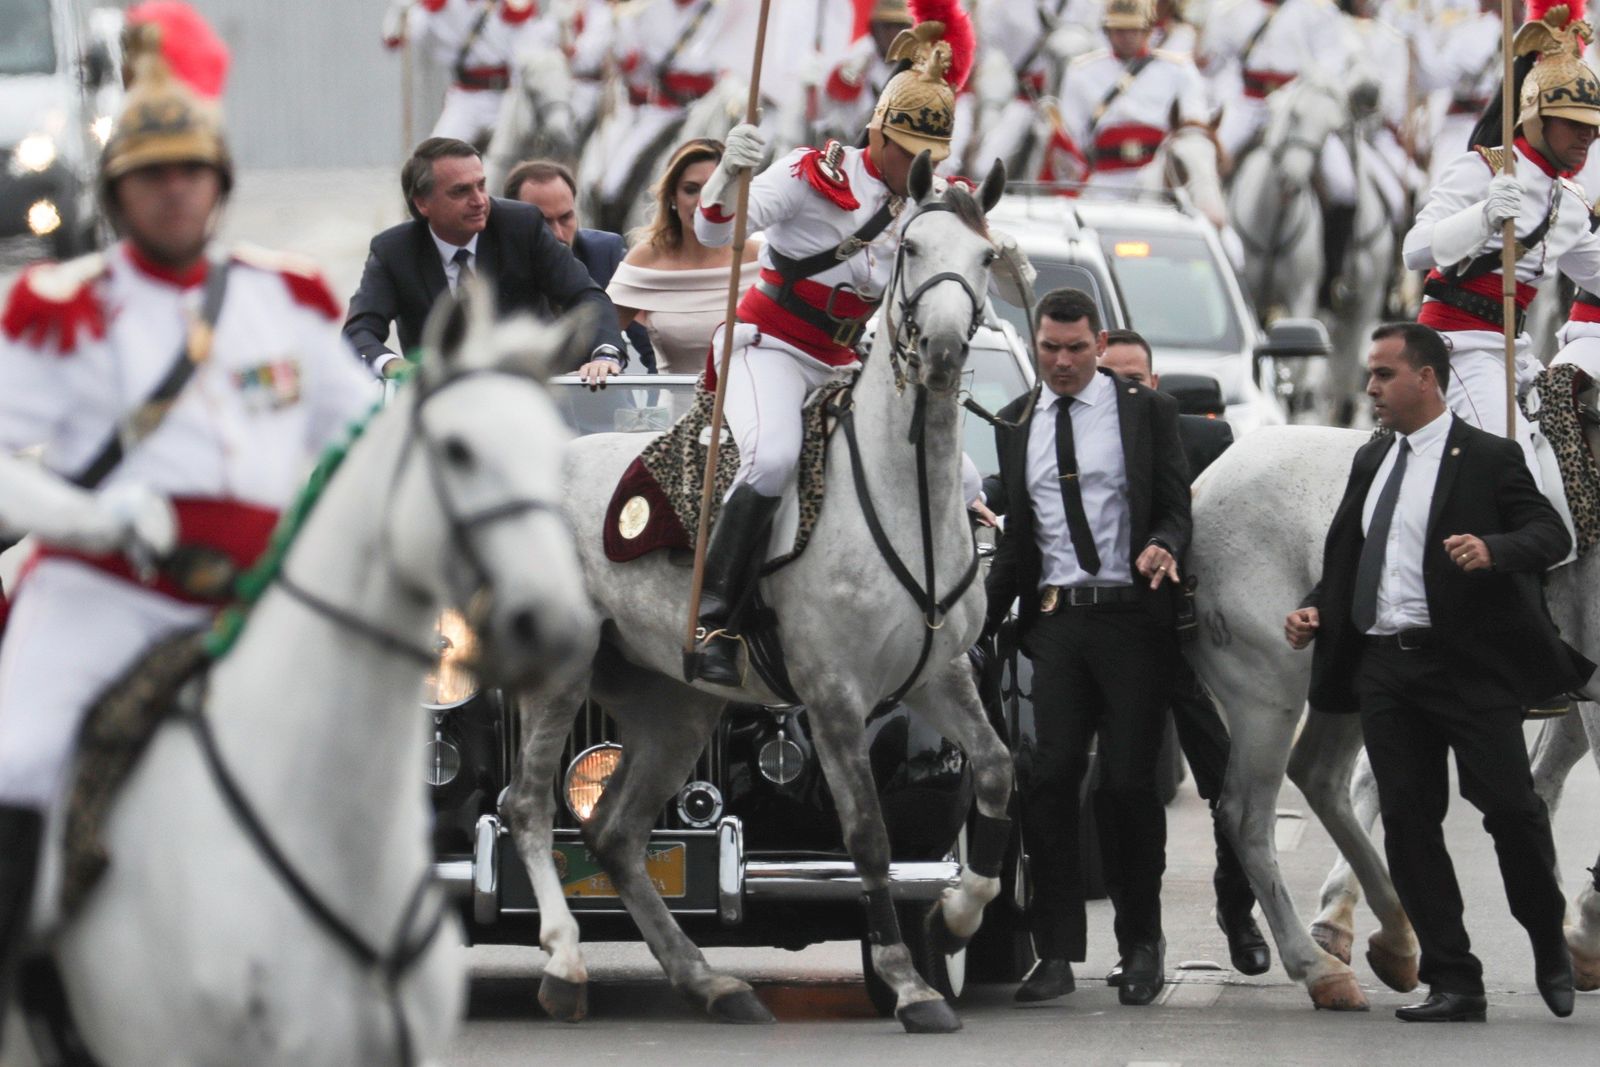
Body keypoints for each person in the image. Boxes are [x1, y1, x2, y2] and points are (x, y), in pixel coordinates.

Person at [0, 3, 379, 1043]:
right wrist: (93, 515)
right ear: (116, 192)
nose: (173, 188)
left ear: (219, 182)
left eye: (191, 171)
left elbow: (371, 437)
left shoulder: (286, 302)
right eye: (151, 174)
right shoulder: (59, 307)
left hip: (259, 597)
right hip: (102, 593)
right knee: (17, 760)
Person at [1285, 322, 1593, 1022]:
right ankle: (1455, 979)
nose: (1370, 387)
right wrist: (1314, 609)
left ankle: (1548, 942)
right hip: (1386, 669)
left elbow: (1550, 533)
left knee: (1513, 812)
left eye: (1384, 374)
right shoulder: (1372, 459)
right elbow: (1345, 557)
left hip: (1469, 667)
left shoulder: (1489, 457)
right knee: (1408, 823)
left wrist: (1493, 548)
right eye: (1370, 373)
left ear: (1425, 378)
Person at [682, 3, 975, 685]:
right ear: (879, 131)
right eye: (909, 151)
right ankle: (715, 618)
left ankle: (941, 618)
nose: (920, 167)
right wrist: (728, 174)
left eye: (933, 156)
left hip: (849, 363)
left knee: (961, 476)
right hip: (773, 347)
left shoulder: (929, 197)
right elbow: (715, 232)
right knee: (772, 458)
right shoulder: (814, 174)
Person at [983, 289, 1192, 1007]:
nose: (1063, 362)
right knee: (1049, 780)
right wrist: (975, 626)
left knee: (1128, 785)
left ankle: (1141, 944)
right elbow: (1018, 541)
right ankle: (1054, 952)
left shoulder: (1146, 411)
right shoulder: (1017, 422)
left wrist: (1164, 541)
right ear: (1034, 345)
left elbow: (1175, 505)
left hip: (1132, 619)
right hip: (1058, 623)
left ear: (1099, 345)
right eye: (1050, 348)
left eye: (1076, 348)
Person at [1097, 330, 1269, 979]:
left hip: (1198, 647)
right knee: (1125, 793)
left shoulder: (1205, 440)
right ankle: (1138, 941)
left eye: (1135, 378)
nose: (1124, 389)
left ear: (1156, 383)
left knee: (1232, 786)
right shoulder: (1073, 441)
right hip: (1118, 646)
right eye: (1111, 378)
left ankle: (1239, 911)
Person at [1403, 2, 1600, 480]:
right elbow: (1415, 249)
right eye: (1573, 123)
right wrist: (1484, 216)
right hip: (1458, 348)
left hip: (1516, 355)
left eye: (1593, 126)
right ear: (1536, 117)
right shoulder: (1484, 169)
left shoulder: (1570, 203)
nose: (1587, 137)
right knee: (1517, 475)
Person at [343, 137, 626, 383]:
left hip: (529, 392)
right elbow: (359, 330)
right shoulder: (394, 251)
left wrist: (604, 353)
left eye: (481, 185)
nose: (479, 200)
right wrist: (394, 366)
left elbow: (585, 294)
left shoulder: (521, 226)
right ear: (422, 203)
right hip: (442, 403)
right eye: (461, 191)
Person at [605, 139, 761, 374]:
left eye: (717, 189)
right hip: (676, 397)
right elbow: (600, 333)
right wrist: (604, 358)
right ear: (672, 197)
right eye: (691, 189)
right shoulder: (646, 259)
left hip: (751, 395)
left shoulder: (760, 257)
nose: (704, 201)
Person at [506, 157, 657, 371]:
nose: (558, 234)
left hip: (596, 390)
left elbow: (652, 346)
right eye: (543, 223)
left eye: (566, 218)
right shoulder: (496, 262)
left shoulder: (603, 254)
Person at [1059, 0, 1210, 193]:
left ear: (1148, 31)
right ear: (1107, 32)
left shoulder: (1180, 70)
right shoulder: (1081, 71)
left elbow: (1193, 127)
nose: (1127, 37)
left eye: (1134, 30)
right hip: (1103, 177)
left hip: (1159, 179)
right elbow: (1071, 134)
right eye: (1119, 30)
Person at [382, 0, 557, 146]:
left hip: (507, 96)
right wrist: (399, 12)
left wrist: (558, 20)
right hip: (467, 97)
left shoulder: (512, 5)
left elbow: (534, 46)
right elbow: (396, 39)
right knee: (439, 152)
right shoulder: (440, 4)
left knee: (519, 156)